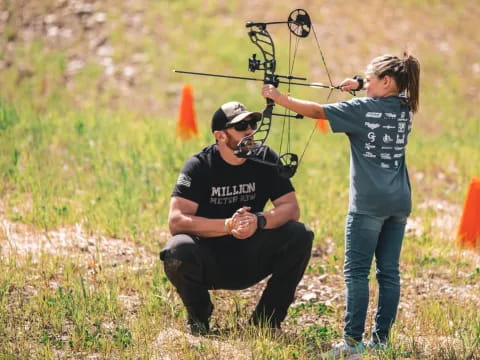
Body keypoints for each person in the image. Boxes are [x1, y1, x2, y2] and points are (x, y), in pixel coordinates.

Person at [261, 53, 420, 358]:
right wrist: (361, 83)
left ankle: (351, 344)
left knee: (357, 273)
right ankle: (381, 341)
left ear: (386, 81)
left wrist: (278, 97)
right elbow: (401, 88)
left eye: (370, 79)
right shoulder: (406, 107)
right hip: (399, 202)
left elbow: (316, 110)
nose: (366, 84)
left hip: (368, 205)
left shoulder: (362, 109)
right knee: (388, 272)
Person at [160, 101, 314, 335]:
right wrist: (227, 225)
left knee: (300, 235)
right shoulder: (199, 166)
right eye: (241, 126)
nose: (250, 131)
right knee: (176, 250)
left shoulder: (265, 157)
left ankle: (266, 323)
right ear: (220, 136)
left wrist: (259, 220)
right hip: (210, 259)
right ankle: (199, 318)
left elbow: (291, 208)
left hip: (252, 255)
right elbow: (177, 221)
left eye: (252, 124)